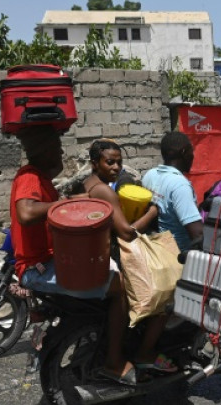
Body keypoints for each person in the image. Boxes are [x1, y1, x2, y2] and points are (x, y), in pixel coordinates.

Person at [11, 127, 146, 385]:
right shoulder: (30, 176)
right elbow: (27, 213)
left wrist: (76, 200)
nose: (62, 153)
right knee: (120, 289)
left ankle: (97, 339)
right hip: (36, 267)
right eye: (58, 148)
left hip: (47, 261)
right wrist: (65, 204)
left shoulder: (43, 181)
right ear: (45, 151)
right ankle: (114, 363)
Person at [81, 139, 175, 373]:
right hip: (116, 253)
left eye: (119, 163)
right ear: (95, 163)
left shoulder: (88, 184)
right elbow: (126, 232)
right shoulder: (104, 191)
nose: (115, 167)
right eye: (109, 162)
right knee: (164, 293)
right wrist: (153, 211)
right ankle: (145, 352)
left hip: (99, 252)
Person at [141, 131, 203, 253]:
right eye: (191, 151)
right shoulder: (180, 185)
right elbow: (197, 234)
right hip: (178, 259)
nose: (193, 156)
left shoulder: (150, 175)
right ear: (184, 153)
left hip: (156, 252)